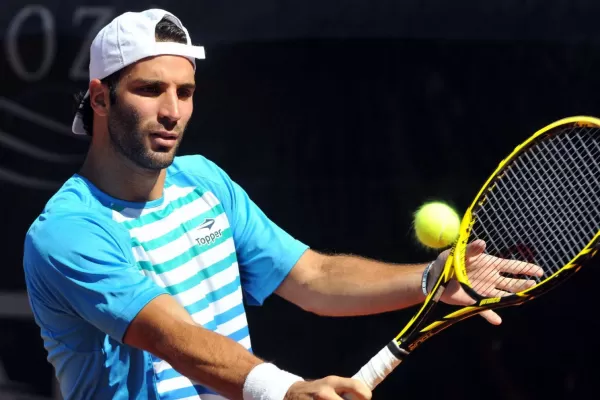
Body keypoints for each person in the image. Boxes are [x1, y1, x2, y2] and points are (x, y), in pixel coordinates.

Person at [22, 9, 542, 400]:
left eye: (185, 92)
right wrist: (285, 390)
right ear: (100, 98)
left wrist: (429, 280)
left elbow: (312, 276)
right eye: (150, 90)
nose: (172, 111)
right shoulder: (68, 231)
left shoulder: (204, 182)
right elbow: (173, 336)